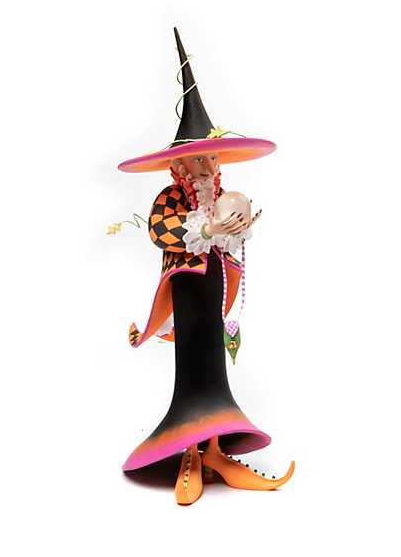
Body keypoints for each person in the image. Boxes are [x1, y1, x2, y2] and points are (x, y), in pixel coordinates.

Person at [118, 28, 294, 505]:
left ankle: (215, 447)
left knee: (214, 363)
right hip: (187, 291)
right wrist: (209, 230)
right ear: (179, 167)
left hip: (212, 287)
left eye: (212, 158)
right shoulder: (170, 198)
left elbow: (226, 241)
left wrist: (237, 228)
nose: (207, 166)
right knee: (193, 362)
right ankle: (191, 449)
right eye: (199, 160)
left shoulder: (218, 195)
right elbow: (162, 231)